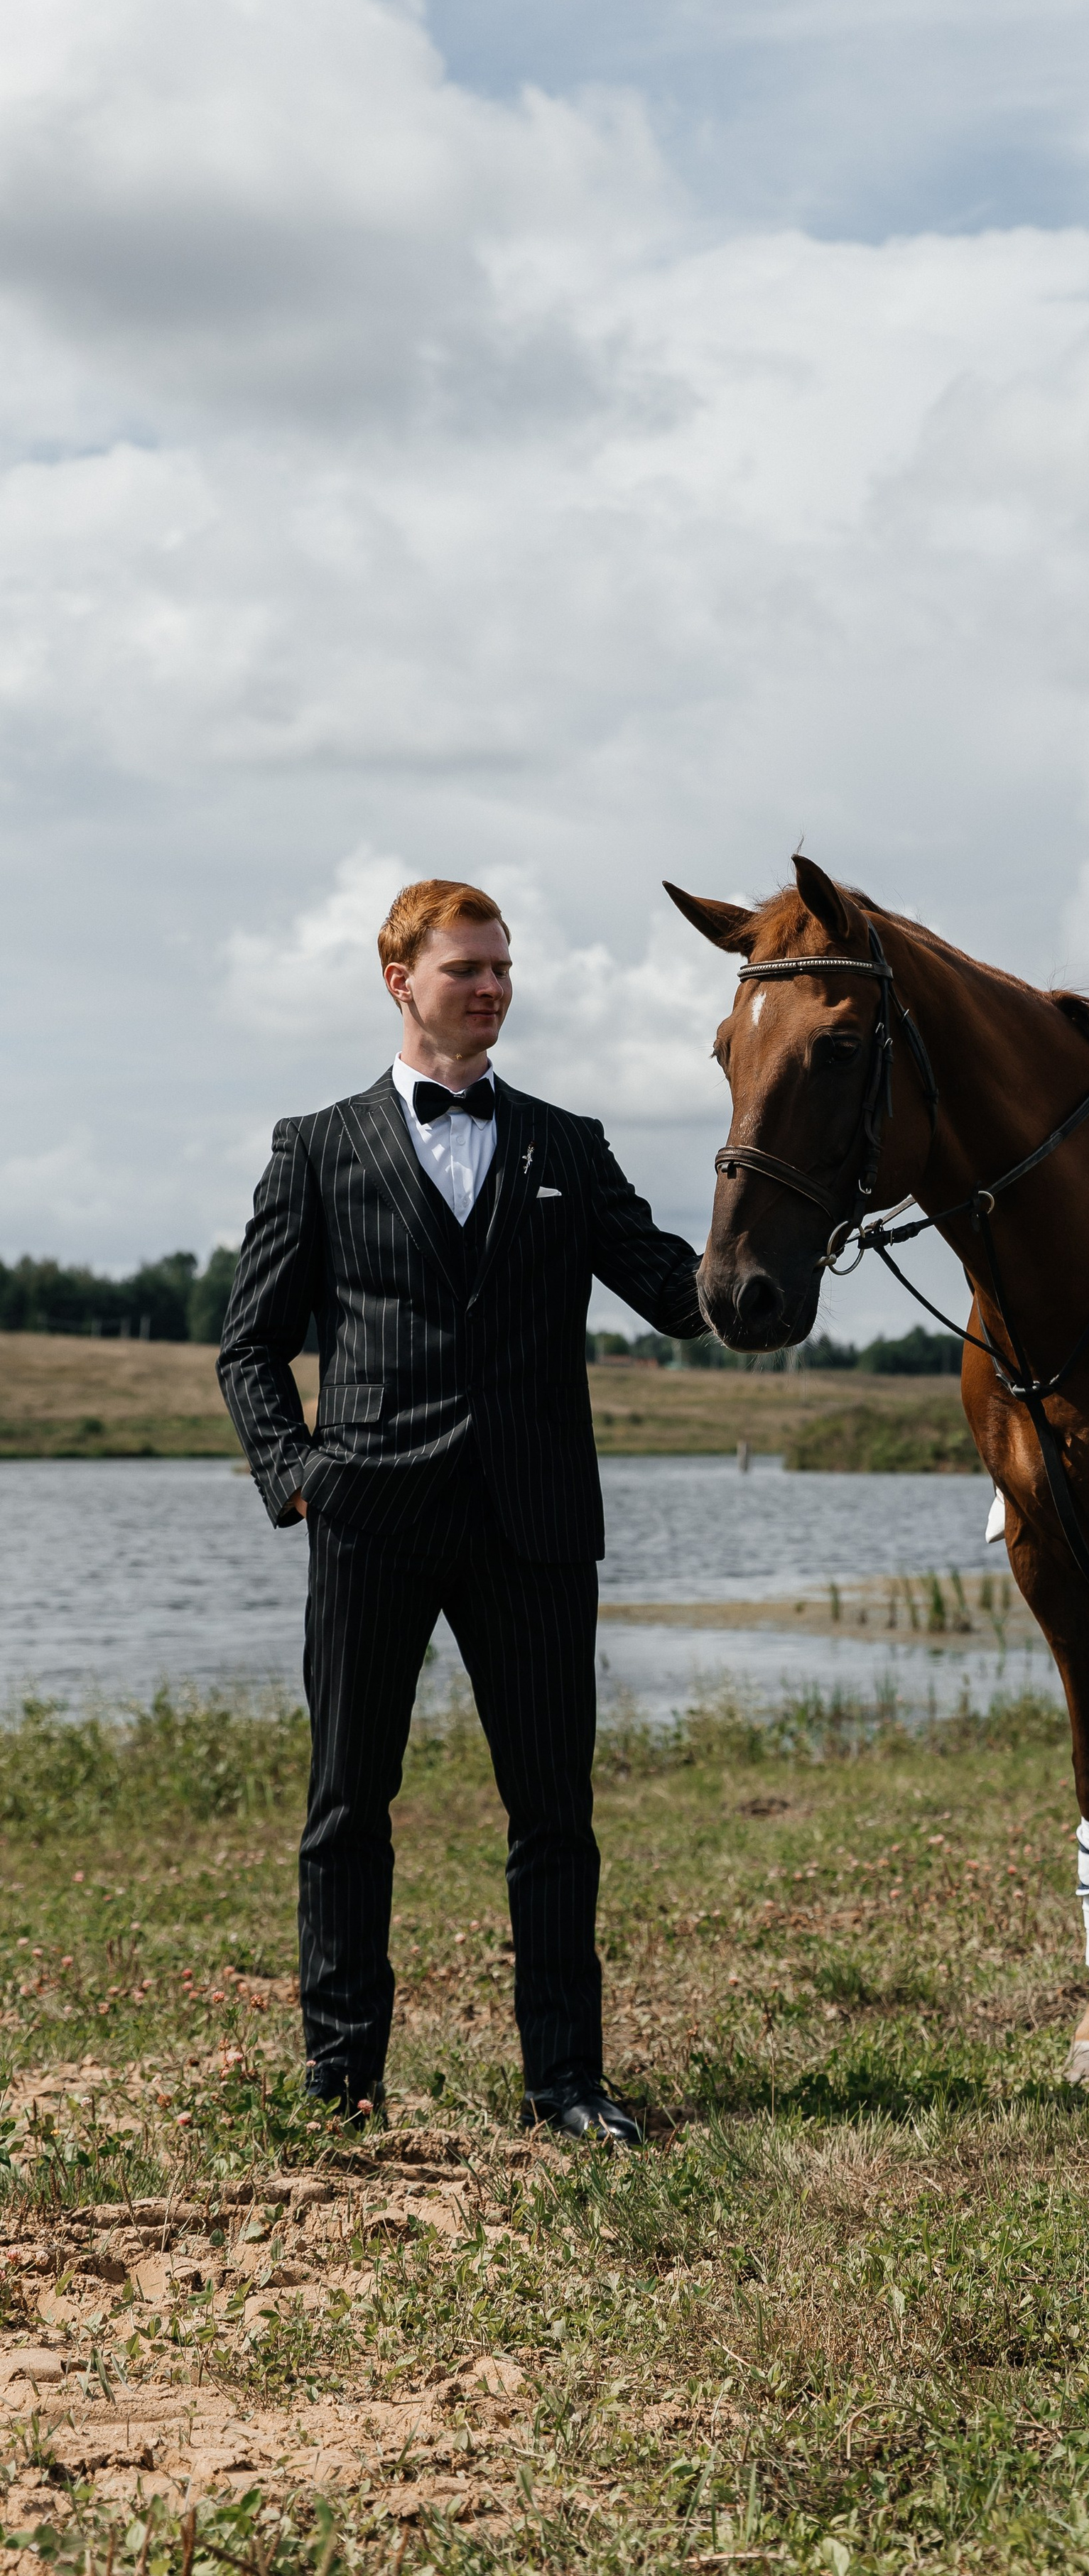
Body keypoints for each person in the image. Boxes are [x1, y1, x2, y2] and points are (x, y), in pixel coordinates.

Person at [217, 878, 706, 2143]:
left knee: (554, 1810)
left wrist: (777, 1254)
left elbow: (671, 1288)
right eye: (466, 968)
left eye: (502, 967)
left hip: (535, 1521)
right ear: (401, 980)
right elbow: (250, 1347)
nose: (491, 987)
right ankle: (341, 2080)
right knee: (346, 1803)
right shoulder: (316, 1148)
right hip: (370, 1516)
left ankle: (567, 2084)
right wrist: (300, 1474)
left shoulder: (567, 1144)